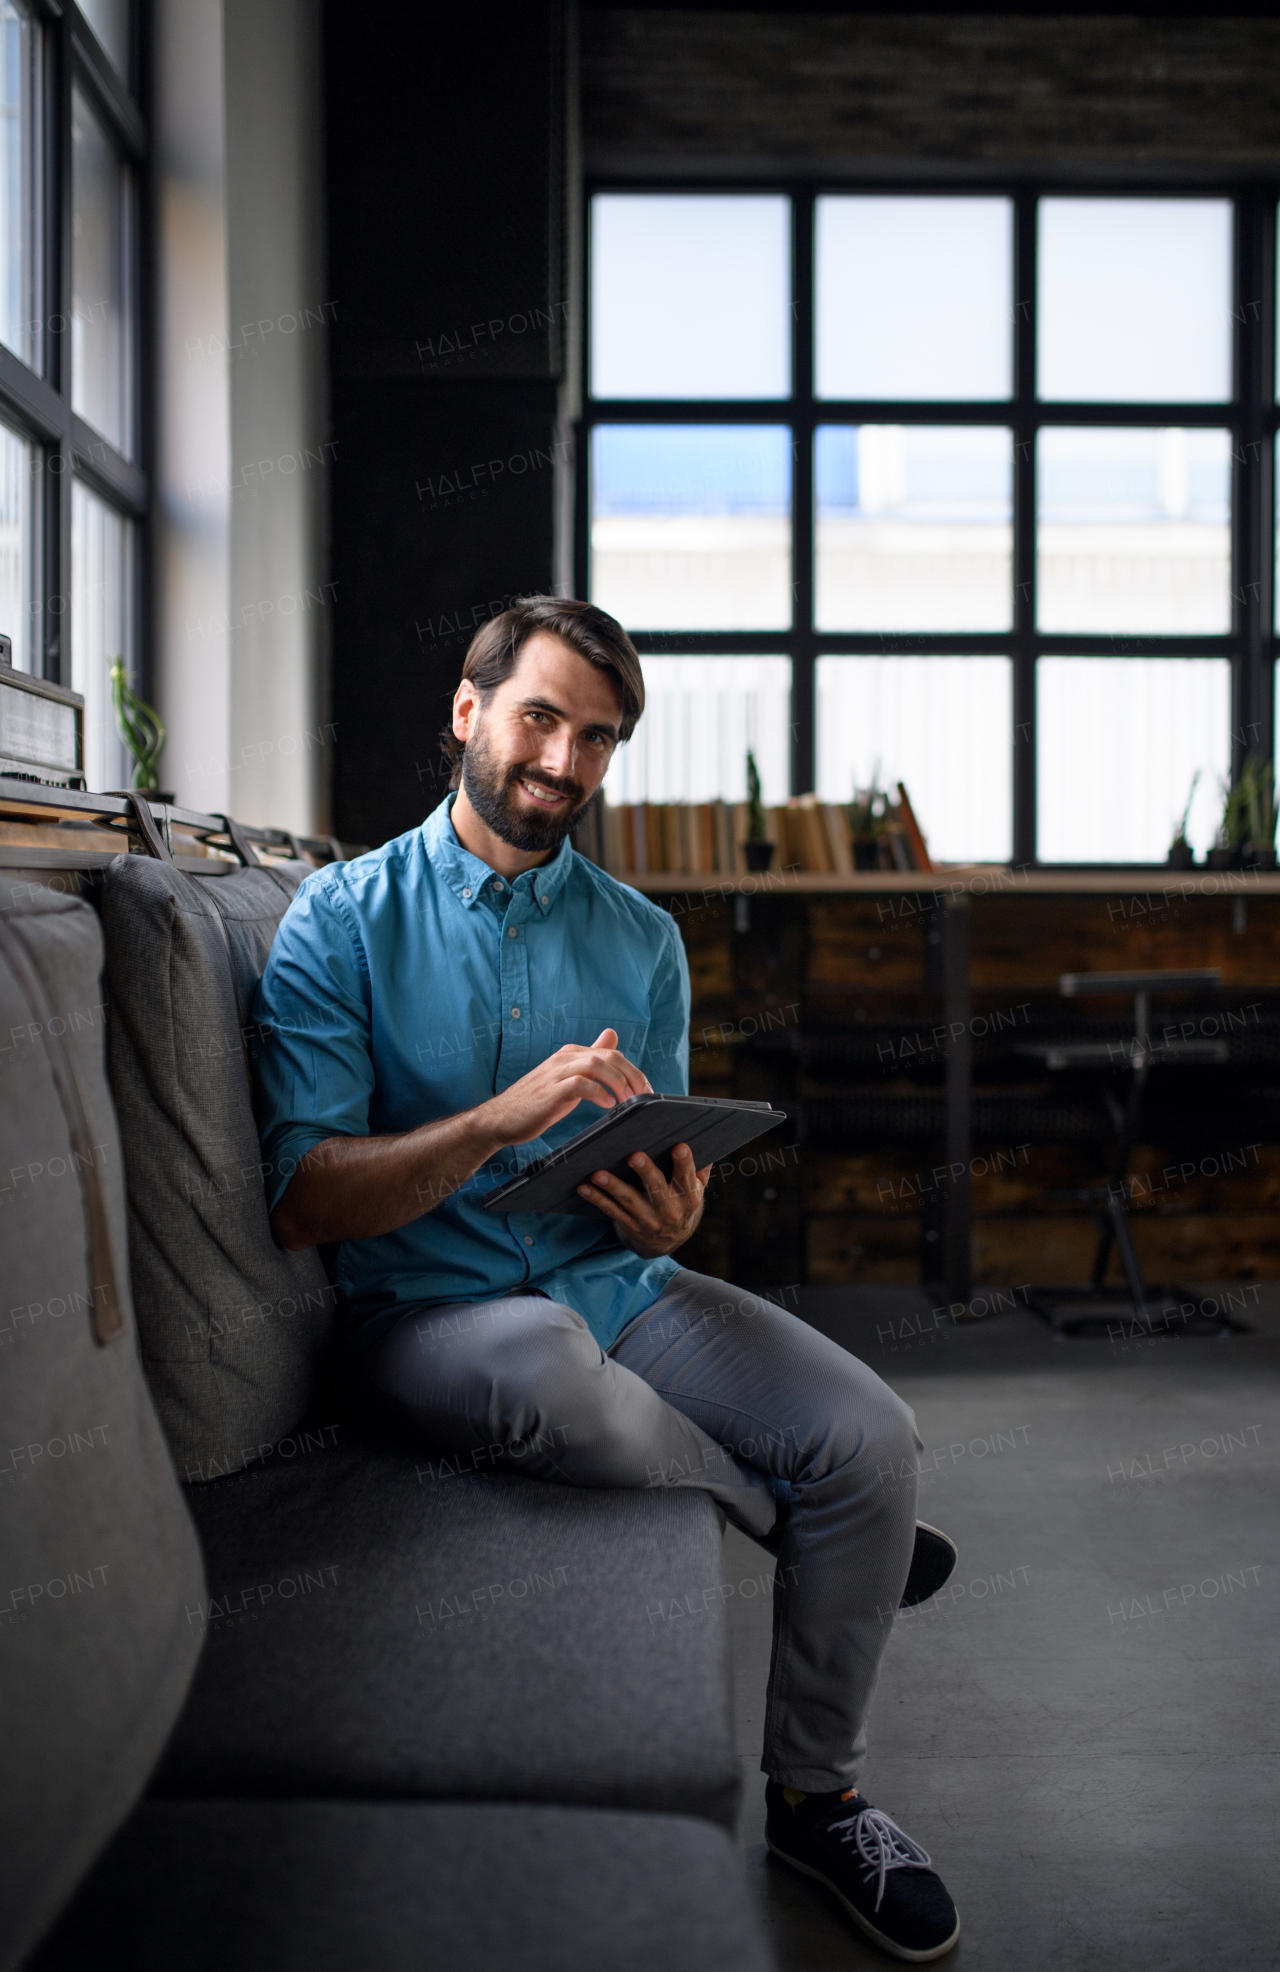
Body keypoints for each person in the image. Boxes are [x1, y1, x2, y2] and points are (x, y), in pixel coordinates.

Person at [253, 595, 960, 1964]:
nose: (564, 764)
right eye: (540, 719)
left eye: (598, 739)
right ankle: (779, 1513)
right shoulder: (336, 923)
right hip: (434, 1317)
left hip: (615, 1289)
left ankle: (821, 1804)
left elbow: (658, 1196)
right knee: (551, 1377)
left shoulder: (641, 939)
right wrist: (498, 1122)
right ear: (468, 713)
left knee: (871, 1435)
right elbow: (303, 1202)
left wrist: (667, 1215)